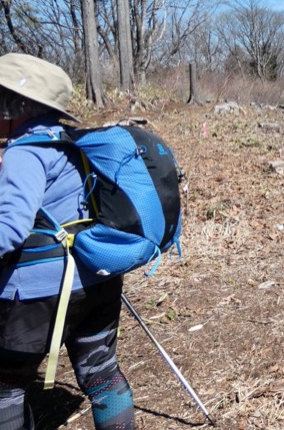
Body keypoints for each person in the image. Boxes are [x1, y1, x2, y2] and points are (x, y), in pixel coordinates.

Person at [0, 53, 134, 430]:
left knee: (5, 385)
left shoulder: (25, 152)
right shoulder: (70, 143)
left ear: (16, 105)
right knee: (102, 374)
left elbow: (10, 229)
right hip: (97, 275)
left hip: (38, 291)